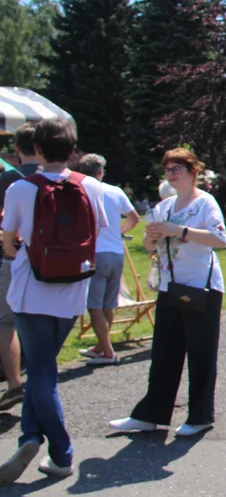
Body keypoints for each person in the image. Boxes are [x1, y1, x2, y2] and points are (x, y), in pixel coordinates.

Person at [0, 120, 108, 484]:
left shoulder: (21, 188)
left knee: (42, 375)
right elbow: (102, 228)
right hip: (72, 291)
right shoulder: (90, 185)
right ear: (73, 149)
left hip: (31, 292)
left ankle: (60, 451)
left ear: (38, 150)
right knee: (42, 372)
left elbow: (10, 240)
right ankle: (30, 436)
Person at [110, 148, 226, 438]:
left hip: (202, 286)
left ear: (193, 171)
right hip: (169, 287)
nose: (172, 174)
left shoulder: (205, 203)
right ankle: (150, 415)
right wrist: (151, 239)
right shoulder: (164, 206)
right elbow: (150, 248)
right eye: (168, 169)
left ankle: (200, 416)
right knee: (164, 353)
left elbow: (220, 239)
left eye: (177, 168)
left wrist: (180, 230)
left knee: (201, 355)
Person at [75, 154, 140, 366]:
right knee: (108, 304)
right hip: (116, 252)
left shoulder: (82, 192)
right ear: (101, 172)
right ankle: (102, 346)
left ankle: (107, 350)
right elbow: (134, 218)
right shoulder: (116, 191)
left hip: (95, 253)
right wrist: (120, 232)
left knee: (94, 305)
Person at [0, 123, 39, 411]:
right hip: (55, 260)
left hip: (14, 255)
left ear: (16, 149)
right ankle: (41, 380)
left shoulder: (8, 181)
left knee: (6, 322)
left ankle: (14, 382)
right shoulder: (62, 179)